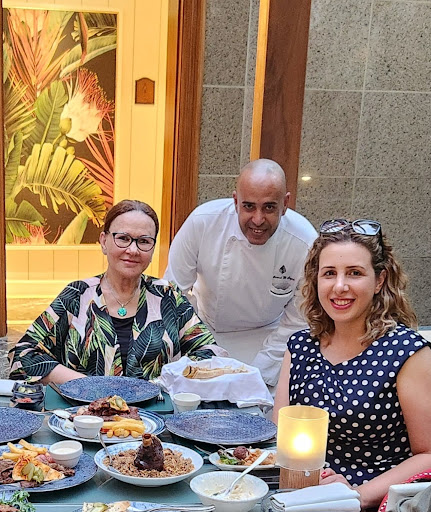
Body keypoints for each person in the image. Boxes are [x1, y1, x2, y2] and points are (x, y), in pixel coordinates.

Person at [272, 219, 431, 510]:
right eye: (329, 273)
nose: (340, 286)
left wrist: (356, 494)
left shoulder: (407, 352)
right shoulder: (300, 347)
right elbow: (278, 438)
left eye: (355, 273)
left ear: (379, 280)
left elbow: (428, 455)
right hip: (299, 498)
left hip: (373, 501)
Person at [9, 200, 225, 384]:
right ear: (104, 241)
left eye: (144, 241)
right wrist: (84, 384)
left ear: (153, 249)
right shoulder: (78, 294)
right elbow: (23, 355)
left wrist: (163, 382)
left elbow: (211, 354)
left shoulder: (168, 296)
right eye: (123, 238)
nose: (132, 250)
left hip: (155, 416)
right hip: (84, 414)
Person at [164, 159, 316, 387]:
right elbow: (173, 295)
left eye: (269, 207)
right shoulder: (202, 222)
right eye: (249, 206)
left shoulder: (304, 242)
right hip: (204, 332)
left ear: (285, 204)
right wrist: (198, 346)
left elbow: (298, 320)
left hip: (267, 339)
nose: (258, 219)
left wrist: (258, 374)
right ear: (235, 201)